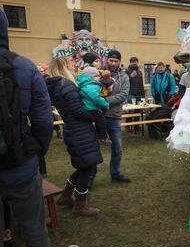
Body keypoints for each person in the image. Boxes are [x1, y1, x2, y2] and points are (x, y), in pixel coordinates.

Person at [0, 10, 54, 247]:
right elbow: (44, 121)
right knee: (35, 232)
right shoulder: (24, 66)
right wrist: (36, 152)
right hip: (21, 165)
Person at [46, 57, 102, 216]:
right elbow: (77, 111)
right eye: (71, 65)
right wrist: (95, 116)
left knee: (84, 165)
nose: (74, 67)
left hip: (73, 129)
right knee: (87, 166)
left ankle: (65, 195)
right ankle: (80, 206)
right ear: (64, 67)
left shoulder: (58, 86)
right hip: (80, 130)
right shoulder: (67, 85)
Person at [89, 50, 130, 187]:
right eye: (111, 60)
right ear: (107, 60)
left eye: (115, 61)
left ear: (119, 62)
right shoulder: (97, 73)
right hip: (97, 115)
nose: (113, 63)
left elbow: (123, 95)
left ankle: (115, 173)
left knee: (117, 148)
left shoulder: (123, 77)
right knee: (94, 147)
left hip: (114, 117)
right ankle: (90, 176)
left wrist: (103, 100)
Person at [76, 67, 110, 142]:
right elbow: (96, 98)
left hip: (87, 108)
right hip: (91, 108)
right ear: (90, 77)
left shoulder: (85, 85)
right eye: (96, 76)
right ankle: (102, 136)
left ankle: (97, 135)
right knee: (101, 121)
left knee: (97, 122)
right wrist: (105, 104)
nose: (99, 78)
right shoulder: (91, 86)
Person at [125, 57, 145, 130]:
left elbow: (141, 83)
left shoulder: (140, 72)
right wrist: (130, 76)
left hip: (139, 94)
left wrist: (143, 94)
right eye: (133, 62)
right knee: (130, 110)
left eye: (136, 61)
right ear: (130, 63)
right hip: (131, 94)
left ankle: (136, 125)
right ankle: (128, 125)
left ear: (137, 62)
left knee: (138, 111)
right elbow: (124, 81)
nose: (134, 63)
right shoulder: (127, 71)